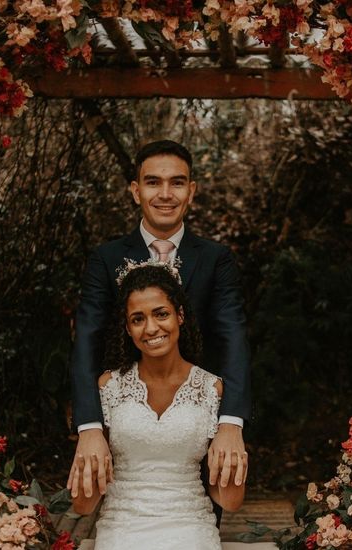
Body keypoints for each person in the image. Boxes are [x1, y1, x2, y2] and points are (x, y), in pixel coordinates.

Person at [68, 140, 252, 501]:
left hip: (198, 425)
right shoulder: (106, 259)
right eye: (153, 182)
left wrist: (230, 421)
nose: (165, 194)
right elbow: (86, 341)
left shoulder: (217, 259)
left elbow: (233, 337)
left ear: (191, 191)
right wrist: (89, 426)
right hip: (123, 426)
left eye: (177, 182)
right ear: (136, 191)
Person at [70, 263, 247, 548]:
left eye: (161, 314)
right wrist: (84, 468)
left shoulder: (212, 389)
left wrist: (234, 463)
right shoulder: (108, 387)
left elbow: (230, 500)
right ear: (127, 329)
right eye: (138, 319)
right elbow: (83, 505)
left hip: (190, 525)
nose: (151, 328)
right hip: (123, 526)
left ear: (180, 315)